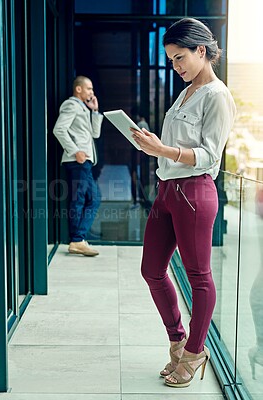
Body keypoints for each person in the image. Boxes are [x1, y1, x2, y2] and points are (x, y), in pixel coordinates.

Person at [130, 18, 236, 388]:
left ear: (201, 51)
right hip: (167, 191)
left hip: (194, 193)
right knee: (152, 270)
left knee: (199, 277)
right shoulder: (185, 92)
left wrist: (165, 149)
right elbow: (176, 148)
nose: (175, 67)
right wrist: (153, 145)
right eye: (172, 60)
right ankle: (177, 340)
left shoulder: (217, 95)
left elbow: (209, 155)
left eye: (179, 58)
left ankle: (195, 352)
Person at [53, 76, 103, 256]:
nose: (91, 92)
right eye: (88, 88)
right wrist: (75, 152)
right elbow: (58, 129)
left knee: (94, 198)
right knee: (79, 199)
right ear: (79, 89)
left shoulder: (83, 108)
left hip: (85, 162)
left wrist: (95, 112)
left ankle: (78, 239)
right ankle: (76, 240)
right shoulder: (71, 105)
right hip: (77, 161)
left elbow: (94, 135)